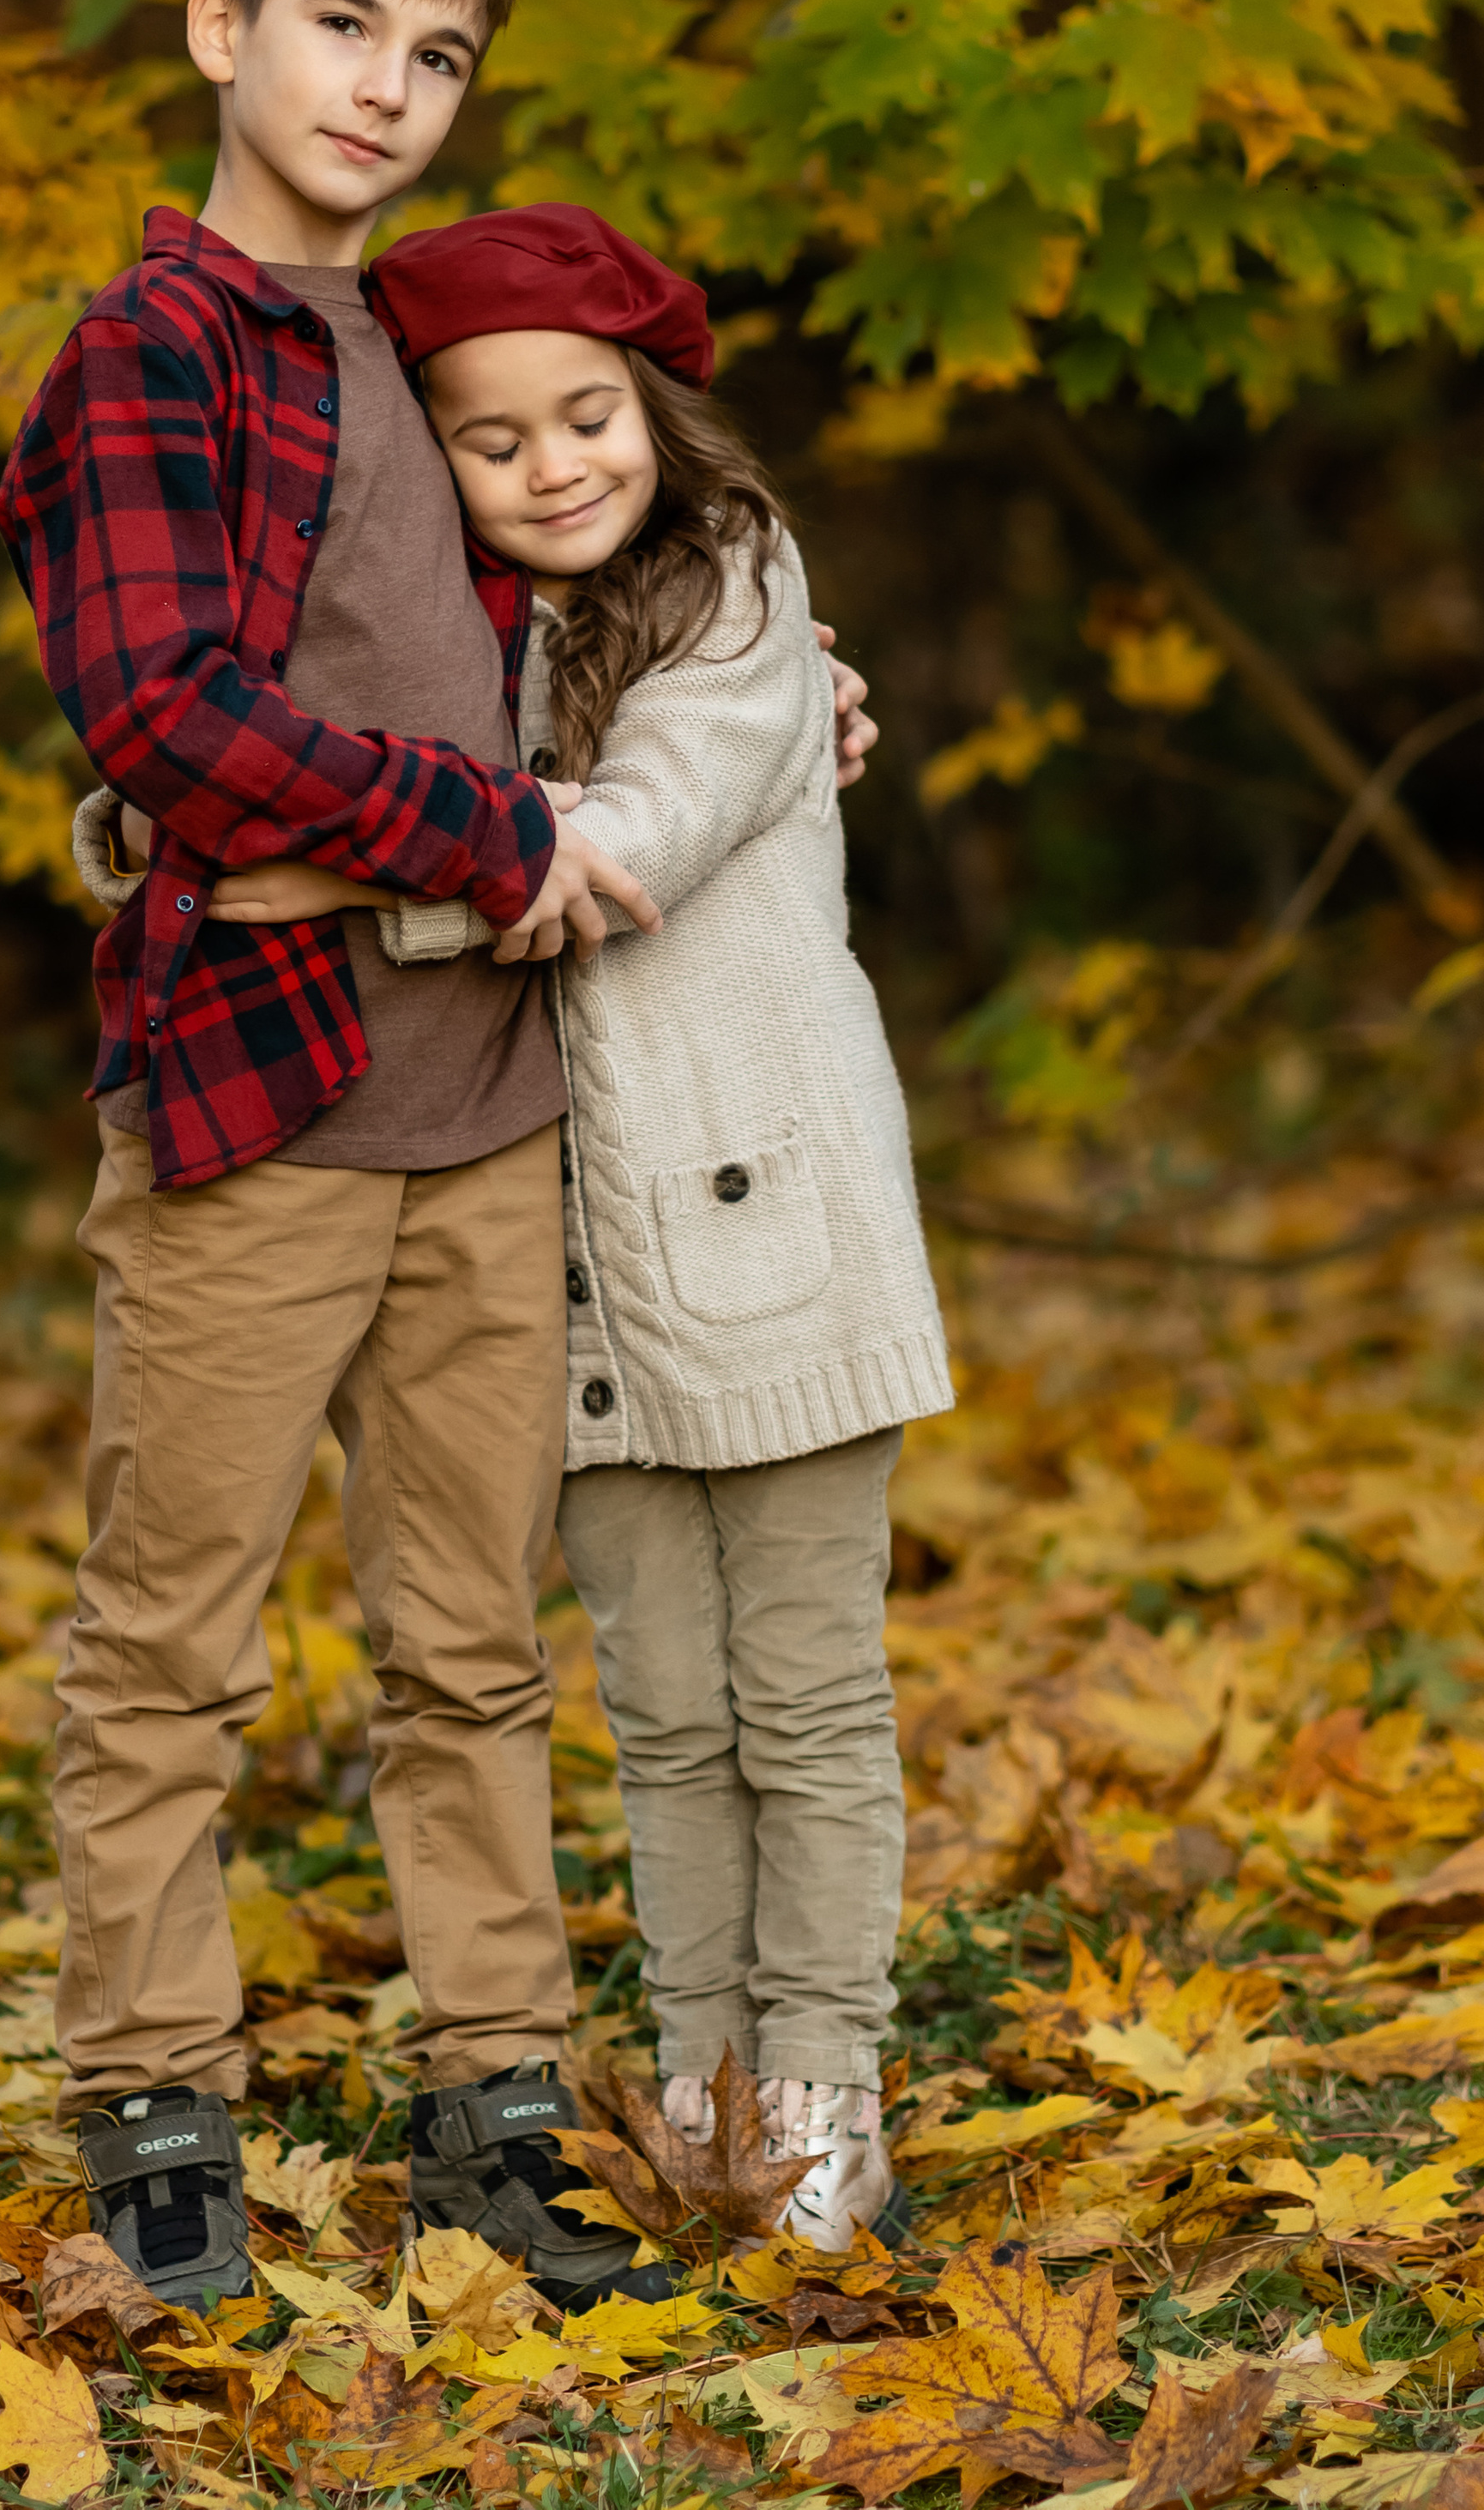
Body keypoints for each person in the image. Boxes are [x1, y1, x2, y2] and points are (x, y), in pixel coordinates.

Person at [2, 0, 812, 2316]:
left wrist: (778, 707)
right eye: (345, 24)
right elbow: (161, 710)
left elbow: (618, 564)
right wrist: (487, 833)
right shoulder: (150, 351)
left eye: (439, 54)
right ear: (218, 30)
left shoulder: (442, 340)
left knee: (469, 1637)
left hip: (497, 1099)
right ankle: (157, 2097)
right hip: (262, 1103)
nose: (390, 87)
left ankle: (490, 2089)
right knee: (175, 1637)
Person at [191, 202, 952, 2255]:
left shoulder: (735, 597)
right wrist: (168, 835)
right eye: (494, 437)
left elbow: (613, 849)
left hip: (775, 1234)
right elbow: (263, 754)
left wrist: (358, 893)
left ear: (656, 408)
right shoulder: (469, 647)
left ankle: (823, 2084)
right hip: (577, 1276)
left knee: (801, 1702)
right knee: (664, 1709)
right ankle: (703, 2072)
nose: (553, 466)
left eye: (588, 414)